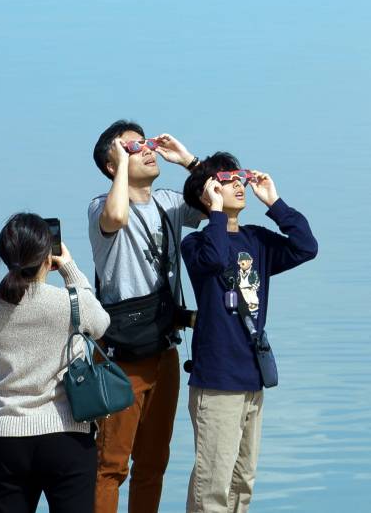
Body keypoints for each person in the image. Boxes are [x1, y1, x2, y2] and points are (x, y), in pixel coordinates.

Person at [180, 153, 318, 512]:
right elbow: (212, 260)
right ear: (208, 191)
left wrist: (275, 202)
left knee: (242, 483)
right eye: (227, 179)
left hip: (252, 378)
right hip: (217, 380)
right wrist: (214, 213)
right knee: (213, 486)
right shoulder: (195, 244)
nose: (239, 184)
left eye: (239, 177)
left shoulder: (256, 240)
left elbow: (306, 247)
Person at [88, 120, 205, 513]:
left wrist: (188, 160)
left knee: (154, 462)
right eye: (132, 147)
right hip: (120, 356)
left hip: (164, 347)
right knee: (110, 465)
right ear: (112, 164)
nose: (147, 150)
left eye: (147, 143)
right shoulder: (99, 208)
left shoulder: (169, 204)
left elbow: (213, 199)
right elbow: (117, 218)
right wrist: (123, 164)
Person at [0, 213, 110, 513]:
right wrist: (70, 270)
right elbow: (101, 323)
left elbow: (8, 296)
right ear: (48, 257)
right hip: (67, 436)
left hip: (7, 438)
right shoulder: (71, 303)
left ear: (4, 256)